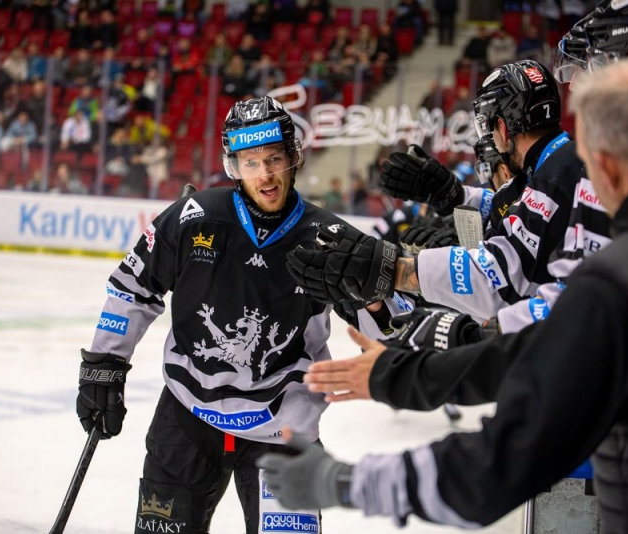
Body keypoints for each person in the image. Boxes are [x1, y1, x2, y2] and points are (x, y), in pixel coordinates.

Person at [258, 57, 628, 533]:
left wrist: (401, 277)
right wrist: (454, 198)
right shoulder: (617, 247)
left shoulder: (611, 279)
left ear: (602, 167)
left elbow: (509, 281)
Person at [74, 95, 404, 534]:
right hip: (187, 414)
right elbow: (133, 288)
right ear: (234, 166)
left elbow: (391, 335)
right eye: (251, 162)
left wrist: (378, 298)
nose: (265, 174)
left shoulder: (331, 239)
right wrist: (104, 365)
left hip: (283, 426)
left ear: (293, 159)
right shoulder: (194, 219)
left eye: (274, 159)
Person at [287, 60, 581, 324]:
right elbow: (506, 206)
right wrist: (453, 195)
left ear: (502, 127)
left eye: (488, 128)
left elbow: (498, 282)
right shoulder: (553, 167)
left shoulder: (552, 179)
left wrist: (391, 270)